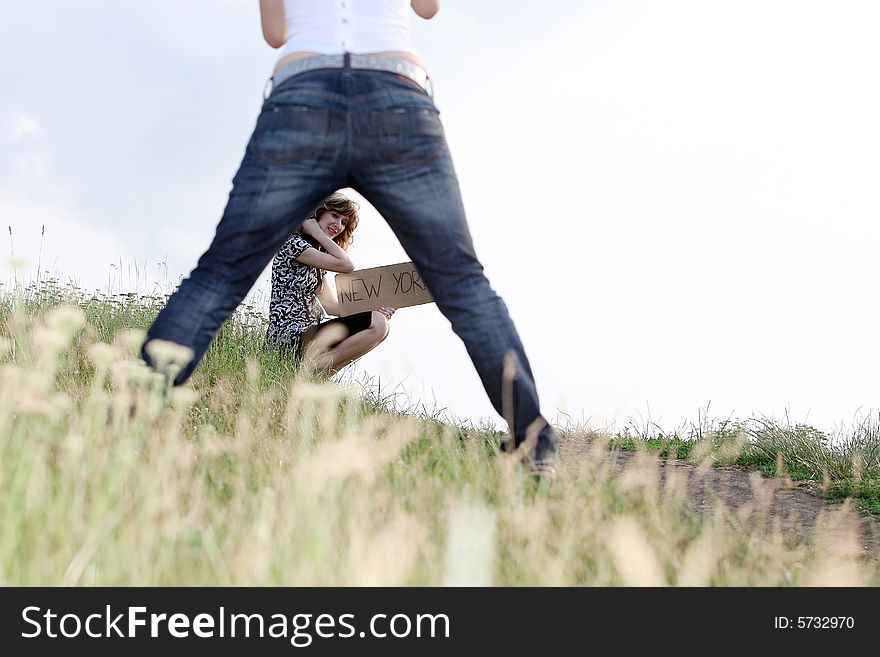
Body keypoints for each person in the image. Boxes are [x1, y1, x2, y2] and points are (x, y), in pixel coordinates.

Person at [141, 0, 558, 477]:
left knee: (219, 276)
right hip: (398, 97)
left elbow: (276, 34)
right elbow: (428, 8)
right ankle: (533, 445)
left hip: (301, 96)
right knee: (463, 283)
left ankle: (135, 417)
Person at [266, 192, 395, 374]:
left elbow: (332, 307)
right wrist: (316, 231)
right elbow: (346, 265)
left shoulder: (316, 261)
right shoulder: (293, 244)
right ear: (318, 212)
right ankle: (310, 371)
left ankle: (318, 377)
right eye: (335, 215)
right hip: (288, 339)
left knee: (381, 327)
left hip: (307, 336)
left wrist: (375, 308)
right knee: (378, 323)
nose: (338, 225)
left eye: (344, 222)